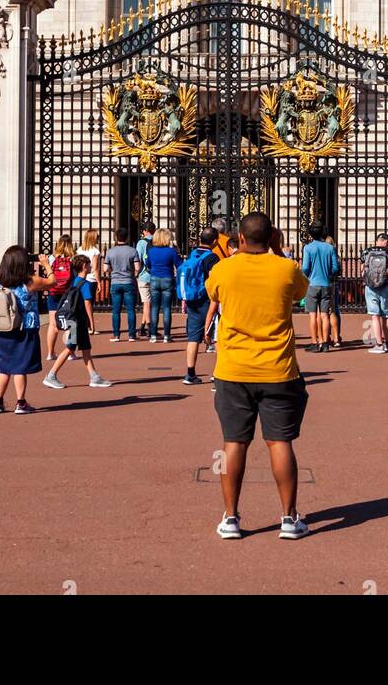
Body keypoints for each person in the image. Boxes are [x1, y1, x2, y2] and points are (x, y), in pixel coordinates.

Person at [204, 211, 310, 540]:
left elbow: (213, 294)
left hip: (233, 369)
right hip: (278, 369)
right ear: (272, 237)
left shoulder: (223, 269)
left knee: (233, 444)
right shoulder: (286, 269)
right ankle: (289, 519)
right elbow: (300, 294)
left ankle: (231, 518)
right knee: (280, 443)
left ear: (241, 238)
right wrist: (277, 252)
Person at [0, 246, 56, 413]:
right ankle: (21, 402)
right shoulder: (30, 281)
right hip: (25, 327)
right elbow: (52, 282)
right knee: (20, 367)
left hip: (3, 327)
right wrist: (46, 264)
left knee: (4, 367)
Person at [43, 254, 113, 390]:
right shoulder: (85, 284)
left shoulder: (74, 281)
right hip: (78, 322)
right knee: (70, 348)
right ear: (84, 267)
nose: (91, 267)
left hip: (75, 321)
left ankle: (94, 376)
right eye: (88, 265)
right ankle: (51, 375)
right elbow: (87, 304)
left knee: (86, 349)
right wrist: (92, 323)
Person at [179, 226, 220, 384]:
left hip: (192, 300)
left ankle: (190, 373)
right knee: (216, 337)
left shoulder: (193, 254)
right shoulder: (212, 258)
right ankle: (217, 374)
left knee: (193, 338)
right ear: (215, 241)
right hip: (206, 300)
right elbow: (214, 279)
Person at [301, 223, 338, 353]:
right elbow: (335, 268)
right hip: (326, 284)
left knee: (312, 315)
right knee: (325, 315)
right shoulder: (329, 248)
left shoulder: (308, 248)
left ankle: (315, 342)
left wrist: (307, 275)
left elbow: (305, 267)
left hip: (312, 284)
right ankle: (326, 343)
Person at [361, 232, 388, 353]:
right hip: (385, 286)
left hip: (370, 286)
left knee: (375, 316)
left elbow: (363, 268)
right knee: (386, 316)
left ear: (377, 241)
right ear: (386, 242)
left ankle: (379, 344)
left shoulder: (367, 251)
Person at [104, 227, 140, 341]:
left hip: (115, 282)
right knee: (131, 309)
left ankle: (116, 335)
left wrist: (113, 271)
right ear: (127, 237)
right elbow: (137, 267)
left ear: (116, 238)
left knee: (116, 310)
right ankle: (132, 335)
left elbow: (105, 268)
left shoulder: (110, 251)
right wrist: (133, 274)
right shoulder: (133, 251)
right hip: (128, 281)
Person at [146, 227, 181, 343]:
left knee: (154, 307)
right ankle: (167, 335)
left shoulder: (151, 251)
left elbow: (147, 265)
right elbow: (179, 265)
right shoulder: (171, 252)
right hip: (167, 278)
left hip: (155, 278)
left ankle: (153, 335)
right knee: (166, 308)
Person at [45, 235, 76, 360]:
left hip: (53, 292)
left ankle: (50, 353)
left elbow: (49, 274)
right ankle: (70, 353)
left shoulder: (52, 258)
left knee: (53, 324)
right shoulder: (73, 258)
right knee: (70, 323)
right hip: (67, 294)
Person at [76, 230, 102, 334]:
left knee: (81, 303)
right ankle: (90, 326)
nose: (98, 239)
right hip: (91, 279)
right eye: (97, 237)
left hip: (80, 278)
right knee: (89, 303)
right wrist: (99, 282)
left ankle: (84, 326)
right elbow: (95, 268)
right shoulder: (95, 251)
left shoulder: (79, 250)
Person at [135, 221, 155, 337]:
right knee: (148, 303)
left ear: (145, 231)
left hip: (143, 275)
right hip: (155, 275)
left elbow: (138, 259)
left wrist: (136, 273)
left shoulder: (141, 242)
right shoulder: (157, 240)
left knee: (146, 303)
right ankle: (142, 328)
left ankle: (150, 329)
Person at [325, 234, 343, 348]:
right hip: (334, 283)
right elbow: (339, 271)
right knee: (335, 310)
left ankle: (326, 336)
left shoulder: (324, 254)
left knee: (324, 312)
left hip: (324, 282)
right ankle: (337, 336)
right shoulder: (336, 256)